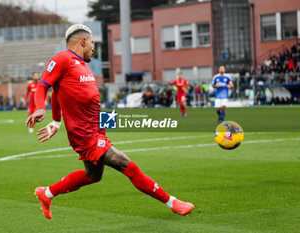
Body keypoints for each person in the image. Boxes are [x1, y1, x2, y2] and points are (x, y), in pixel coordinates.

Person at [26, 24, 194, 220]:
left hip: (97, 127)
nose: (93, 48)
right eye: (92, 43)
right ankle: (172, 202)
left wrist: (57, 121)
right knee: (128, 166)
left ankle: (46, 193)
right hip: (85, 135)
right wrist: (40, 108)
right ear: (82, 41)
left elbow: (57, 92)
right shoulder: (63, 59)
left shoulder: (81, 65)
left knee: (93, 176)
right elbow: (43, 86)